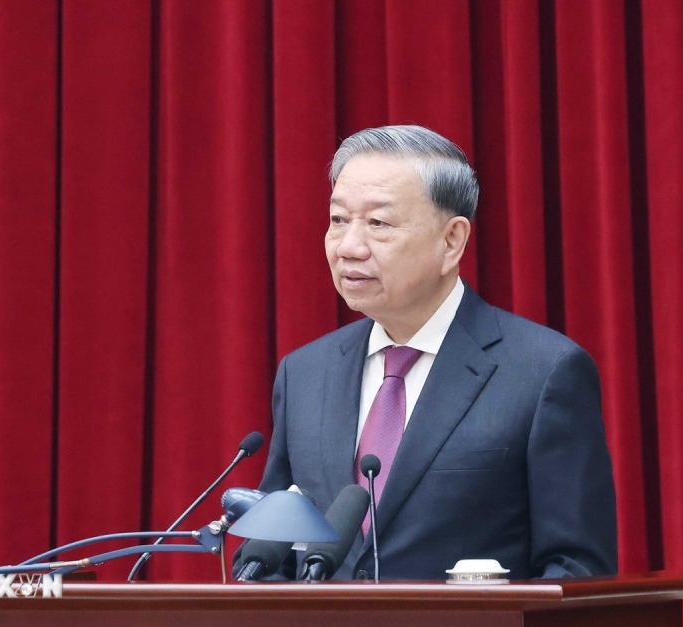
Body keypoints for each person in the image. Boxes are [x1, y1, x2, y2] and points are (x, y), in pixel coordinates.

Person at [249, 124, 617, 580]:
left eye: (378, 224)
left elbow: (576, 569)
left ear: (452, 241)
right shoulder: (304, 373)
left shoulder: (544, 372)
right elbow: (268, 555)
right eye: (338, 220)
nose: (348, 247)